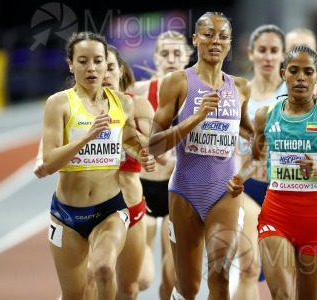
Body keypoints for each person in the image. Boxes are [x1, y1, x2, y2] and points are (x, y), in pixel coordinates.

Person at [227, 45, 317, 300]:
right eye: (294, 71)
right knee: (282, 295)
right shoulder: (265, 115)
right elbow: (256, 160)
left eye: (308, 72)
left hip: (316, 215)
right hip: (276, 213)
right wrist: (239, 178)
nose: (301, 77)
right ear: (283, 74)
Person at [39, 31, 155, 300]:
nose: (91, 68)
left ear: (107, 65)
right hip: (67, 215)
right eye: (82, 61)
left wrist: (142, 154)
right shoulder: (59, 104)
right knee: (75, 295)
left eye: (98, 61)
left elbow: (127, 140)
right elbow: (50, 161)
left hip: (110, 210)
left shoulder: (122, 104)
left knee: (104, 269)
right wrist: (86, 137)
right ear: (71, 64)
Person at [148, 12, 254, 300]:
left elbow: (248, 132)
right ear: (195, 39)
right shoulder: (177, 83)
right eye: (208, 34)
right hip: (184, 192)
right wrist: (195, 118)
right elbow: (154, 145)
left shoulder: (241, 87)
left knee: (219, 275)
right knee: (188, 287)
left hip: (225, 192)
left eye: (222, 36)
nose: (215, 41)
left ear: (230, 43)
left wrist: (265, 140)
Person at [130, 30, 193, 300]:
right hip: (144, 188)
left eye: (177, 53)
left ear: (188, 57)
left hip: (178, 190)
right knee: (138, 277)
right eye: (164, 53)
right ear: (155, 57)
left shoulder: (198, 94)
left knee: (173, 279)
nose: (171, 59)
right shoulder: (139, 92)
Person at [233, 24, 287, 300]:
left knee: (281, 275)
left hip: (286, 192)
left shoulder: (297, 97)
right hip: (249, 189)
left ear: (283, 55)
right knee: (249, 269)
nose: (268, 57)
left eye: (274, 51)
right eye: (262, 50)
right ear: (251, 53)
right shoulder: (238, 93)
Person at [103, 44, 156, 299]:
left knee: (134, 284)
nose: (104, 74)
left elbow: (154, 149)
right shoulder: (76, 108)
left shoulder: (139, 105)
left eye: (110, 67)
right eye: (99, 67)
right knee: (96, 277)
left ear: (120, 70)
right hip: (93, 207)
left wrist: (123, 121)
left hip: (131, 204)